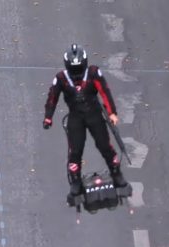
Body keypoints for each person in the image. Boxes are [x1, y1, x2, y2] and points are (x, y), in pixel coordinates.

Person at [42, 43, 127, 197]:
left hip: (94, 115)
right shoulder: (61, 78)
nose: (77, 74)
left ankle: (116, 173)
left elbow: (104, 91)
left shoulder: (94, 73)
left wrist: (112, 112)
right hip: (76, 117)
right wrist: (48, 117)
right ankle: (75, 181)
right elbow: (52, 97)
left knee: (104, 146)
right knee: (75, 151)